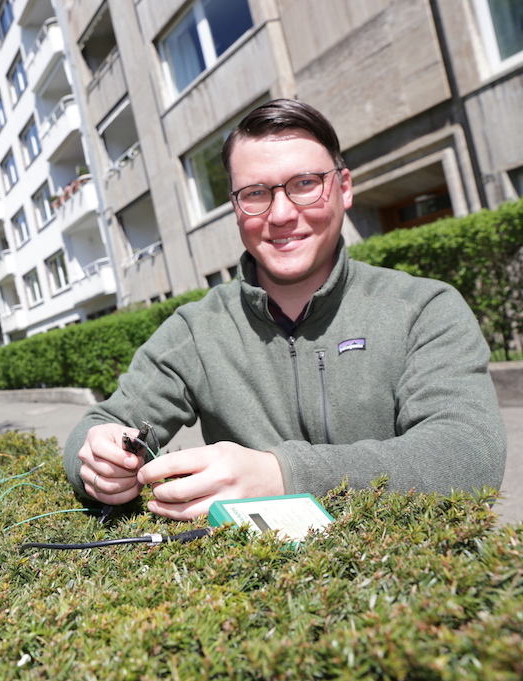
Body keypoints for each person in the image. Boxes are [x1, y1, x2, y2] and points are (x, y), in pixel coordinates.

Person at [63, 99, 506, 521]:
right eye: (255, 193)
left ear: (344, 188)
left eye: (304, 185)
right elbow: (103, 424)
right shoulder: (197, 331)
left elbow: (468, 453)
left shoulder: (423, 310)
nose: (280, 214)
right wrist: (98, 460)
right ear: (236, 208)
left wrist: (282, 475)